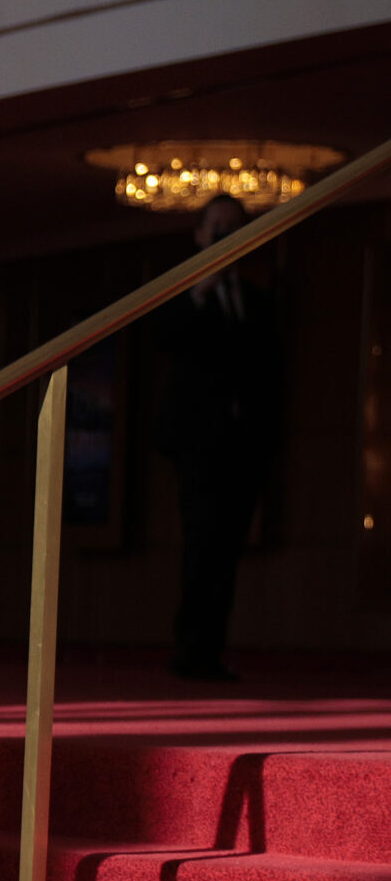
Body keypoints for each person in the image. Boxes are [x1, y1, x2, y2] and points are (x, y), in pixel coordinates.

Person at [155, 193, 283, 683]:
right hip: (197, 446)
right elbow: (162, 338)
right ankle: (189, 650)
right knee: (202, 543)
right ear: (201, 235)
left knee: (227, 550)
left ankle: (209, 652)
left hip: (243, 448)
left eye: (235, 228)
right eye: (218, 228)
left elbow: (272, 376)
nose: (226, 237)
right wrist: (200, 289)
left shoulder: (257, 301)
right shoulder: (186, 291)